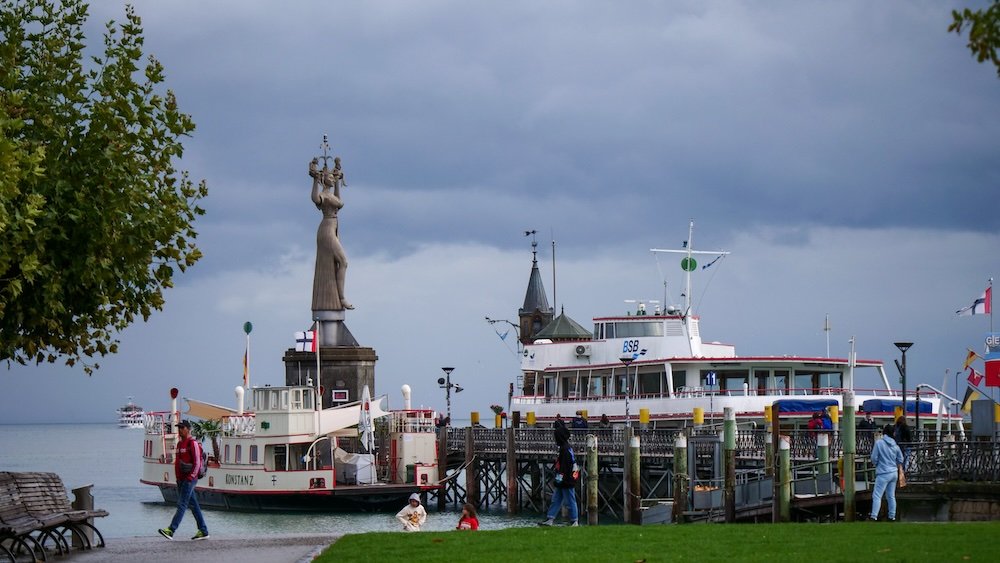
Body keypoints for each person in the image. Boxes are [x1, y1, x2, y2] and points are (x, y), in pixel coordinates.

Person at [309, 157, 352, 311]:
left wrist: (338, 182)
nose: (333, 179)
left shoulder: (332, 196)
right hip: (327, 230)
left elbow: (339, 202)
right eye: (330, 177)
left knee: (337, 264)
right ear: (323, 179)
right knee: (343, 262)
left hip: (334, 228)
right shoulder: (323, 196)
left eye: (333, 177)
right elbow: (315, 198)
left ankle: (339, 298)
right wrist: (315, 180)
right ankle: (342, 298)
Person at [158, 420, 209, 541]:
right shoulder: (180, 444)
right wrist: (178, 479)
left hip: (189, 479)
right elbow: (178, 463)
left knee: (181, 504)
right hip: (181, 480)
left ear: (187, 429)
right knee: (194, 505)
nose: (179, 430)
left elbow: (197, 462)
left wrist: (191, 477)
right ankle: (203, 530)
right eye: (179, 428)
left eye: (182, 427)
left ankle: (171, 530)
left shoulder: (193, 443)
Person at [539, 426, 579, 527]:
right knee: (556, 499)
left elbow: (564, 468)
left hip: (566, 479)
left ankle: (574, 521)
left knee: (570, 500)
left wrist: (559, 480)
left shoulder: (564, 449)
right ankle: (550, 519)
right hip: (566, 478)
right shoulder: (567, 447)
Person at [869, 424, 905, 521]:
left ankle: (874, 516)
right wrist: (895, 464)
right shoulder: (895, 445)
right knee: (891, 496)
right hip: (893, 473)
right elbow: (901, 459)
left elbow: (873, 458)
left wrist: (877, 464)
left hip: (883, 472)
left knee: (877, 495)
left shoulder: (879, 443)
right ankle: (892, 516)